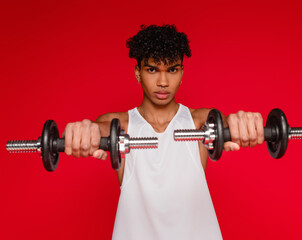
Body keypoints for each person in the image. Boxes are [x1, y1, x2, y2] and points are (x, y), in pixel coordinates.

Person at [63, 24, 264, 240]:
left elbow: (223, 124)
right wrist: (85, 131)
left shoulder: (200, 121)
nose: (163, 82)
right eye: (152, 70)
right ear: (138, 72)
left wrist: (240, 124)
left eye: (172, 70)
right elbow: (99, 129)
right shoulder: (120, 124)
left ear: (182, 71)